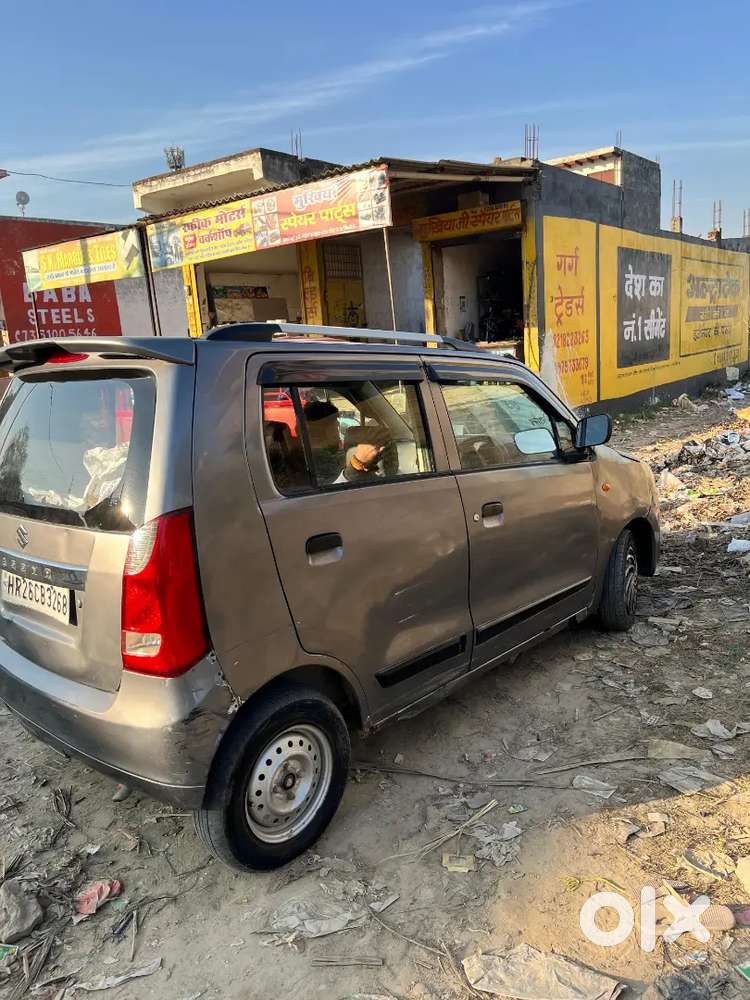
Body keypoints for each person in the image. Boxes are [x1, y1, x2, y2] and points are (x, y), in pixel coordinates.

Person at [303, 399, 388, 485]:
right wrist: (357, 463)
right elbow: (334, 491)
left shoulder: (312, 457)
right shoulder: (321, 462)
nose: (338, 427)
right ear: (320, 429)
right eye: (335, 424)